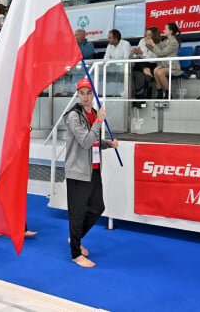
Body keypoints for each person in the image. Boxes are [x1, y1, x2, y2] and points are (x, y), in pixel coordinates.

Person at [63, 78, 118, 267]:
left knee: (97, 208)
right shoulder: (73, 116)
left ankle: (75, 238)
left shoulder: (94, 113)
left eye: (89, 93)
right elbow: (85, 142)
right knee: (77, 213)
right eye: (82, 93)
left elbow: (93, 142)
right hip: (78, 172)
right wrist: (99, 122)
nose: (86, 97)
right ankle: (75, 253)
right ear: (77, 94)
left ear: (93, 94)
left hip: (94, 169)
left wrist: (107, 144)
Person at [145, 23, 182, 99]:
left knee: (160, 72)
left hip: (173, 67)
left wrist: (153, 44)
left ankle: (168, 93)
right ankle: (160, 92)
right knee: (155, 70)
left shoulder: (174, 42)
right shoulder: (165, 41)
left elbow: (161, 53)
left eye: (165, 29)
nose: (163, 30)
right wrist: (148, 44)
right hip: (164, 66)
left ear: (171, 31)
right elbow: (157, 50)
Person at [130, 26, 160, 99]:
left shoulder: (158, 44)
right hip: (142, 64)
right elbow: (140, 54)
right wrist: (136, 52)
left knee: (142, 63)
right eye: (146, 34)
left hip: (152, 65)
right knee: (139, 64)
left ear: (154, 35)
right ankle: (149, 79)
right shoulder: (142, 41)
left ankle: (147, 85)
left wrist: (142, 53)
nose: (146, 36)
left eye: (148, 35)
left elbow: (154, 59)